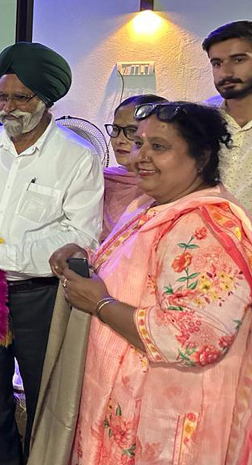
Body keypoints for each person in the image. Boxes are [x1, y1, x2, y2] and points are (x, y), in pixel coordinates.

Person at [50, 102, 252, 464]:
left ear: (201, 157)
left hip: (166, 417)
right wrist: (84, 254)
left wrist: (100, 305)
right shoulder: (151, 205)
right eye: (139, 143)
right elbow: (132, 272)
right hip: (123, 402)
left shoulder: (205, 228)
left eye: (158, 146)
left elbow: (194, 340)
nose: (141, 155)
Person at [0, 42, 103, 465]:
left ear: (46, 99)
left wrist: (3, 256)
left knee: (43, 397)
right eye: (2, 97)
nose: (8, 107)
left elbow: (81, 237)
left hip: (41, 298)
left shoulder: (77, 156)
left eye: (21, 97)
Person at [101, 94, 167, 241]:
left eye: (131, 131)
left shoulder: (165, 190)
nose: (119, 140)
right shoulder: (102, 180)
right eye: (116, 129)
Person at [203, 21, 252, 210]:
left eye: (238, 60)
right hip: (206, 234)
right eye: (217, 63)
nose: (225, 72)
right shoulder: (203, 118)